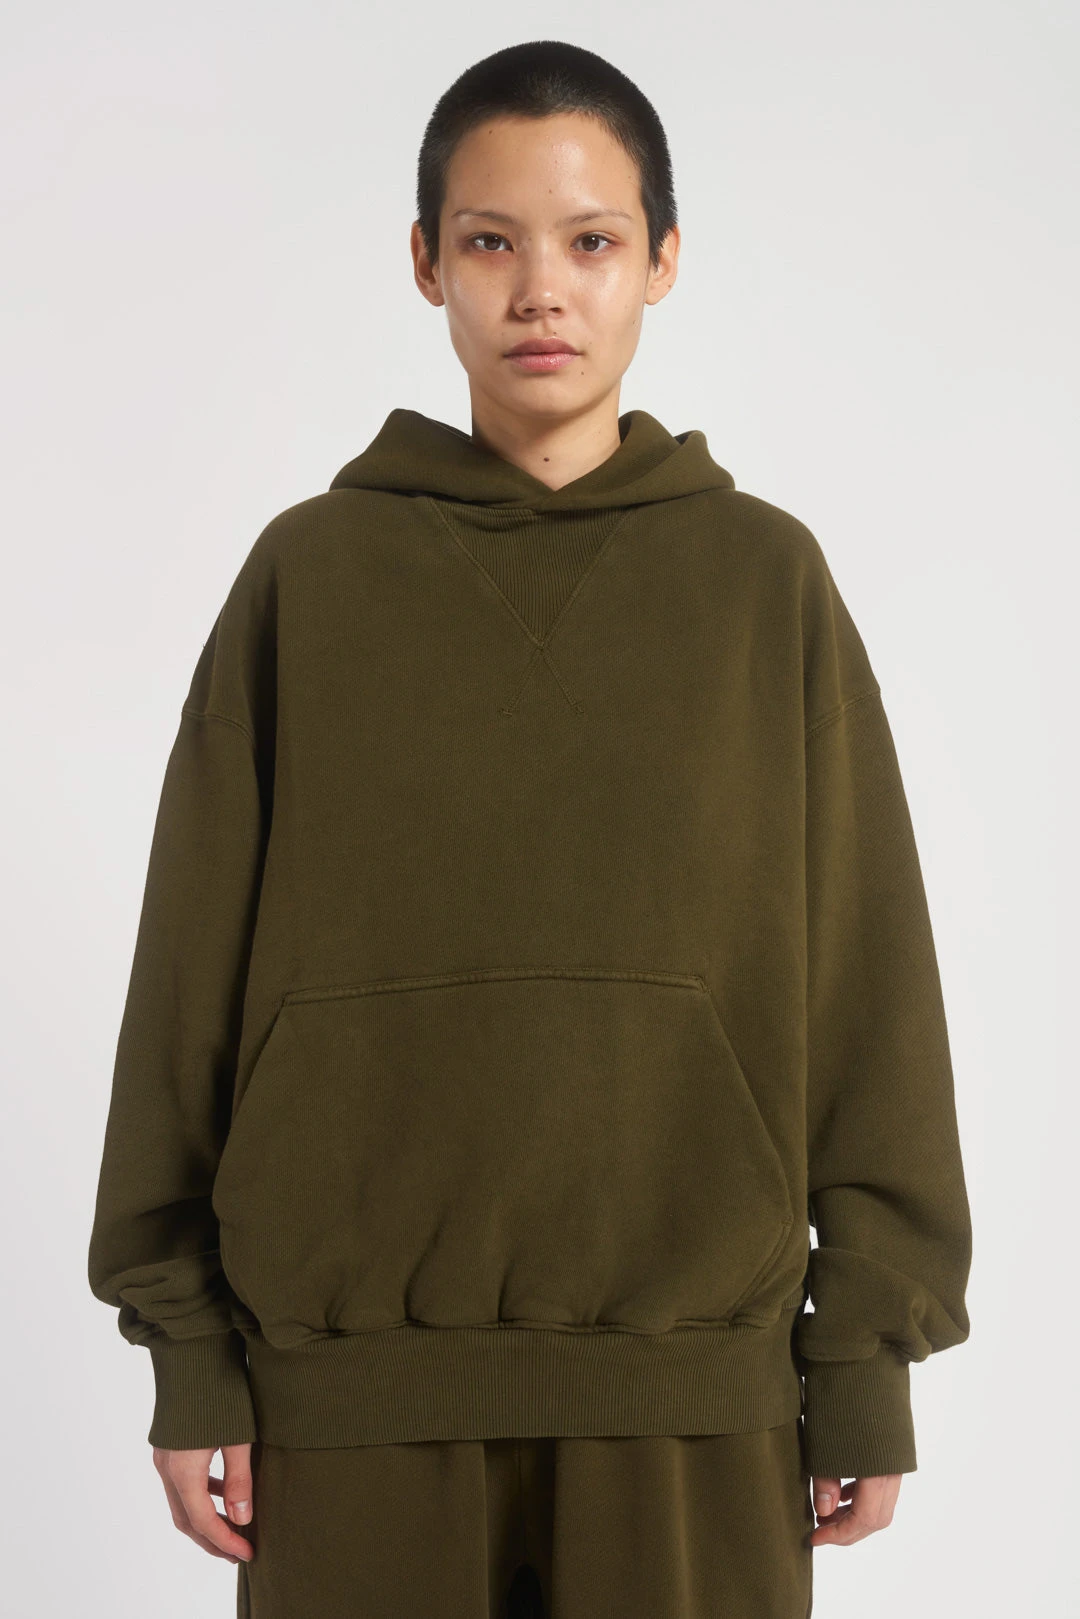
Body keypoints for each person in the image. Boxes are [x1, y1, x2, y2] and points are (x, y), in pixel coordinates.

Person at [86, 37, 973, 1619]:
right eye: (491, 240)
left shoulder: (764, 585)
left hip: (692, 1401)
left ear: (663, 259)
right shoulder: (308, 578)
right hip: (345, 1406)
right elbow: (188, 985)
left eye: (591, 240)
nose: (541, 289)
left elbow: (869, 992)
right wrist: (189, 1348)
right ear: (427, 262)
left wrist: (866, 1355)